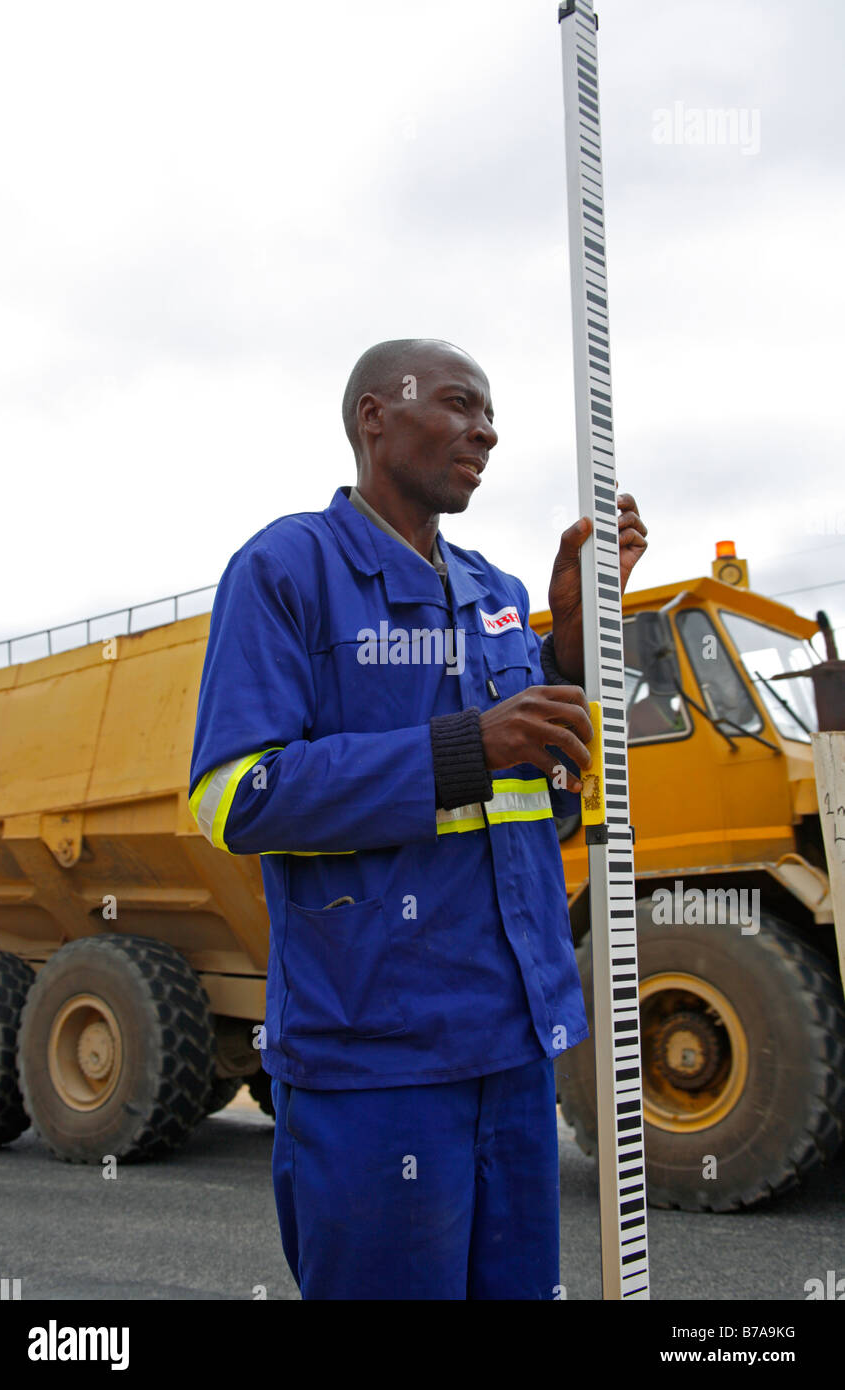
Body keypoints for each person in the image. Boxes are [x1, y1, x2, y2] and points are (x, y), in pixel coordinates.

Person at [188, 337, 648, 1299]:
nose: (485, 430)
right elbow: (235, 796)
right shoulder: (285, 571)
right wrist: (463, 747)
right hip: (377, 1062)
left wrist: (564, 645)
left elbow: (535, 801)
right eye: (457, 405)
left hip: (515, 1049)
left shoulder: (497, 594)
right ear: (374, 417)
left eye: (489, 414)